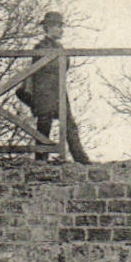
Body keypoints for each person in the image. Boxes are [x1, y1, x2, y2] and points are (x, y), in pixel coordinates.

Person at [16, 11, 91, 163]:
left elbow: (64, 66)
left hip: (58, 90)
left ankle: (81, 159)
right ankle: (41, 159)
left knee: (69, 123)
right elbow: (44, 68)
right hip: (44, 91)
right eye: (57, 27)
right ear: (48, 28)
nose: (60, 30)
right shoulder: (40, 47)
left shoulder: (59, 47)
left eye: (61, 27)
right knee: (44, 123)